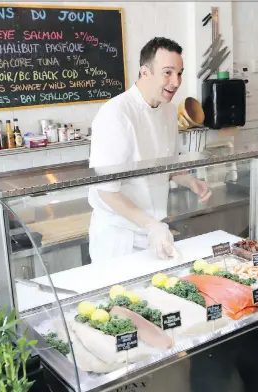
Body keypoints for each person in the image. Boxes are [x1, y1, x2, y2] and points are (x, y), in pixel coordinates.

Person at [88, 37, 212, 263]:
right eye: (168, 72)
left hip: (154, 232)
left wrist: (191, 182)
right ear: (145, 72)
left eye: (179, 73)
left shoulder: (168, 111)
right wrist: (152, 225)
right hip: (119, 238)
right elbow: (106, 191)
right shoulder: (115, 114)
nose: (176, 81)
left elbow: (169, 166)